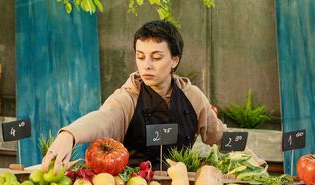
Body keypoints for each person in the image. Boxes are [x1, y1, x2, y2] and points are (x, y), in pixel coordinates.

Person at [42, 20, 263, 174]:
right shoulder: (128, 96)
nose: (146, 65)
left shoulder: (192, 96)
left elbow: (221, 135)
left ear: (174, 60)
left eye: (156, 57)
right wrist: (69, 135)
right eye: (140, 56)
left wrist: (256, 162)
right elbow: (103, 118)